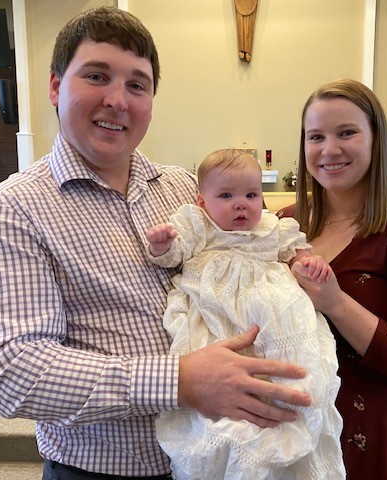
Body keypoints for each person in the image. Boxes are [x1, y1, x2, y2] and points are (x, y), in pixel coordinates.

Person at [0, 7, 312, 480]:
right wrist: (179, 381)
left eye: (137, 85)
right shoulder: (11, 209)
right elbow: (10, 371)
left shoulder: (182, 187)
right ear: (55, 87)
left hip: (219, 457)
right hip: (103, 472)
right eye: (96, 76)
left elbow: (251, 247)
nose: (117, 100)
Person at [277, 78, 387, 480]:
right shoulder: (285, 223)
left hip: (377, 434)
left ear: (377, 139)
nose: (329, 150)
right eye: (316, 136)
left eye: (347, 133)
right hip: (298, 429)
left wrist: (336, 303)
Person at [146, 149, 345, 480]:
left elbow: (295, 254)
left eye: (251, 195)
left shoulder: (273, 227)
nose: (241, 204)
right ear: (202, 202)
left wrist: (307, 263)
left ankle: (289, 418)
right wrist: (162, 246)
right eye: (226, 196)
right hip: (217, 313)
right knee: (222, 393)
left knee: (296, 366)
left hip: (272, 314)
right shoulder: (199, 225)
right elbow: (174, 257)